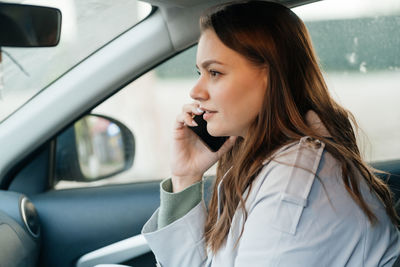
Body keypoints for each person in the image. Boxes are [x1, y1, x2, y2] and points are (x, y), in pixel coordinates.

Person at [141, 1, 400, 266]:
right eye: (200, 73)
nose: (196, 91)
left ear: (271, 76)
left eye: (215, 72)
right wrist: (185, 176)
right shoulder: (262, 163)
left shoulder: (298, 179)